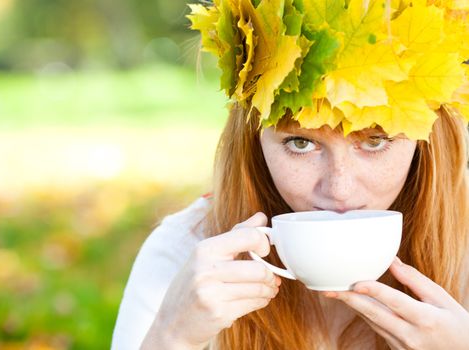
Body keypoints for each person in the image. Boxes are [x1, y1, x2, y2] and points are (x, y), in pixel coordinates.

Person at [112, 0, 469, 348]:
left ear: (426, 141)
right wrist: (172, 336)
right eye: (300, 143)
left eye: (375, 141)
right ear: (254, 141)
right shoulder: (186, 253)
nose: (340, 190)